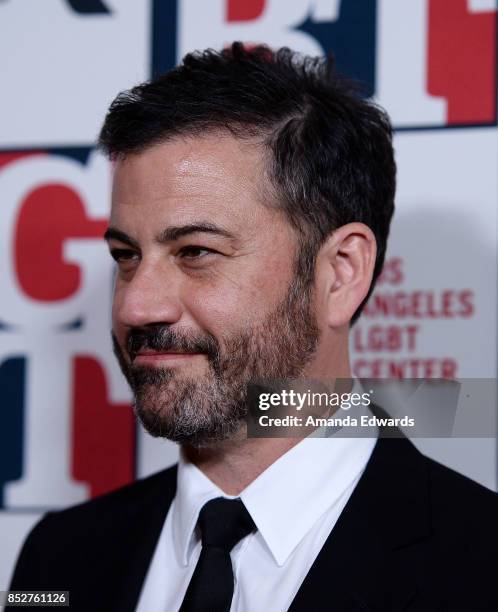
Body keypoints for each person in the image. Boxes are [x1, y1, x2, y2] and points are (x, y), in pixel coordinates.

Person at [7, 43, 497, 612]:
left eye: (196, 251)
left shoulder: (480, 568)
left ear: (340, 274)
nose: (136, 307)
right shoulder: (55, 560)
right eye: (126, 256)